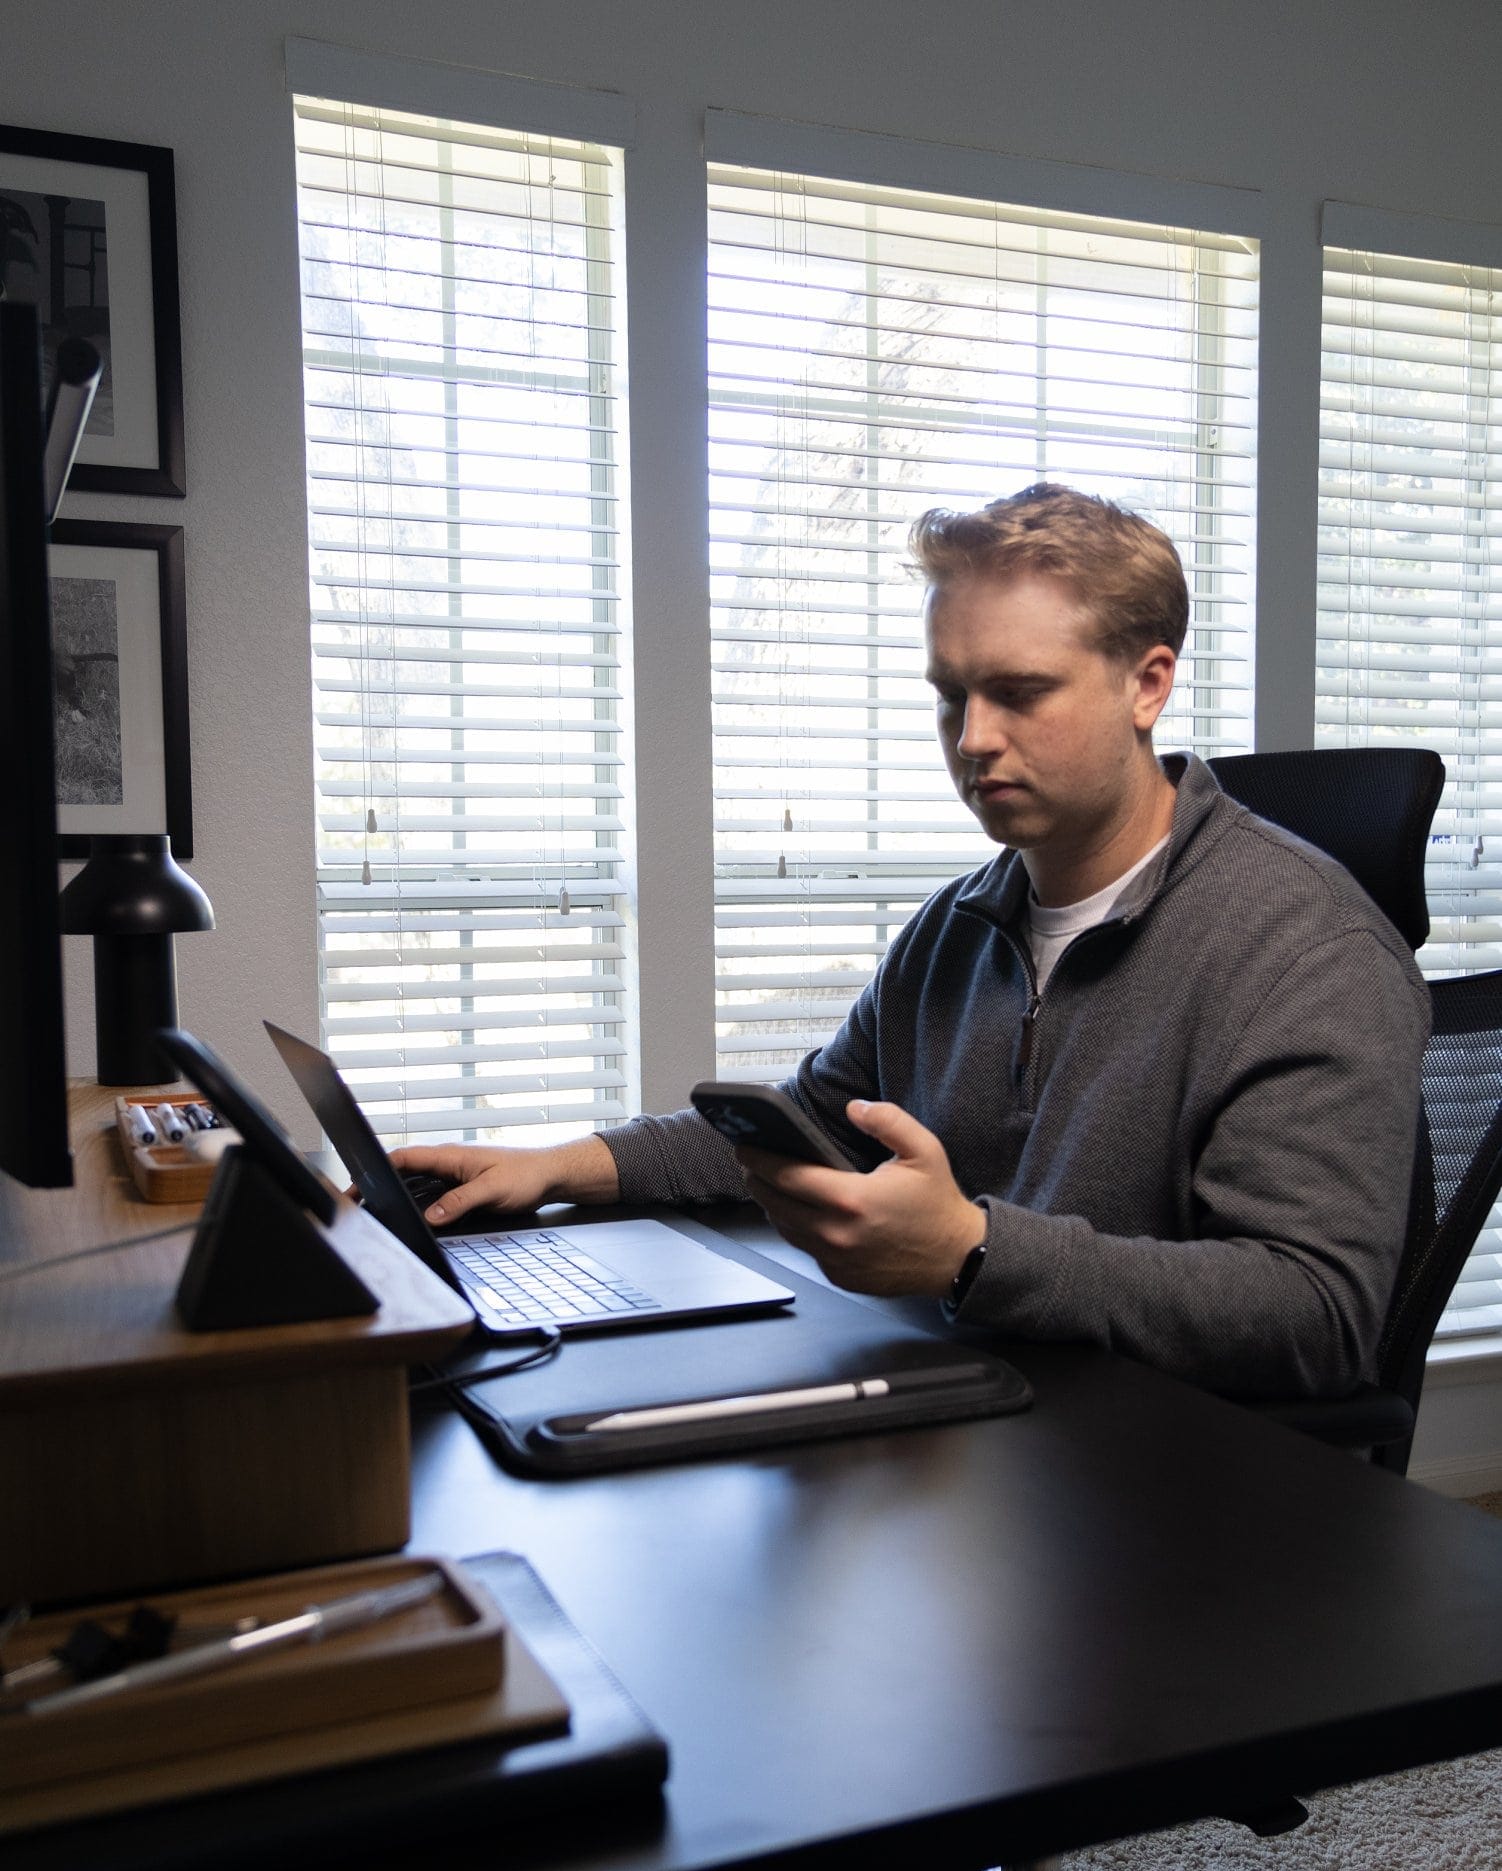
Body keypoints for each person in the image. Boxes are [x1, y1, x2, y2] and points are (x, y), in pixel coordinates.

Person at [392, 484, 1431, 1400]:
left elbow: (1313, 1312)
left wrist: (971, 1250)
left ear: (1145, 684)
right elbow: (813, 1124)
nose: (972, 737)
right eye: (950, 696)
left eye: (1018, 692)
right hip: (986, 1420)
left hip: (1181, 1492)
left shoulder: (1306, 948)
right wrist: (557, 1163)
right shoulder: (957, 925)